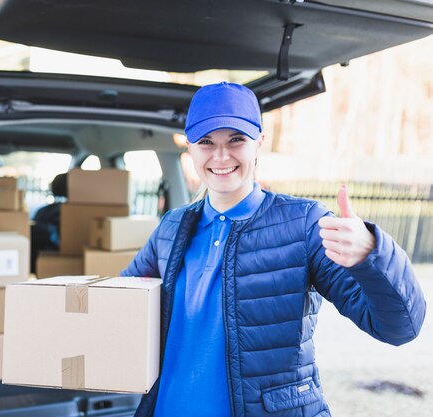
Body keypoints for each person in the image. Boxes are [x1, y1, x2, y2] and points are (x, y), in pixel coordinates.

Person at [121, 82, 426, 417]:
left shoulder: (304, 224)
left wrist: (373, 254)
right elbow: (116, 305)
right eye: (206, 142)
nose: (221, 156)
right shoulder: (171, 227)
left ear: (259, 143)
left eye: (236, 139)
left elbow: (399, 328)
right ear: (190, 147)